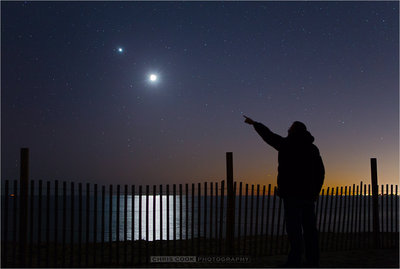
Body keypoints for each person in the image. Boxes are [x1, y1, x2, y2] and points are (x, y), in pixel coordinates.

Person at [244, 115, 324, 268]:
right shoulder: (313, 148)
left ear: (293, 130)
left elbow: (269, 136)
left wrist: (255, 123)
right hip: (308, 196)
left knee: (294, 230)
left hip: (292, 195)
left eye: (290, 127)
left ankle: (294, 261)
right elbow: (321, 172)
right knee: (310, 231)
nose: (288, 129)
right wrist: (315, 192)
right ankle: (313, 261)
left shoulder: (287, 143)